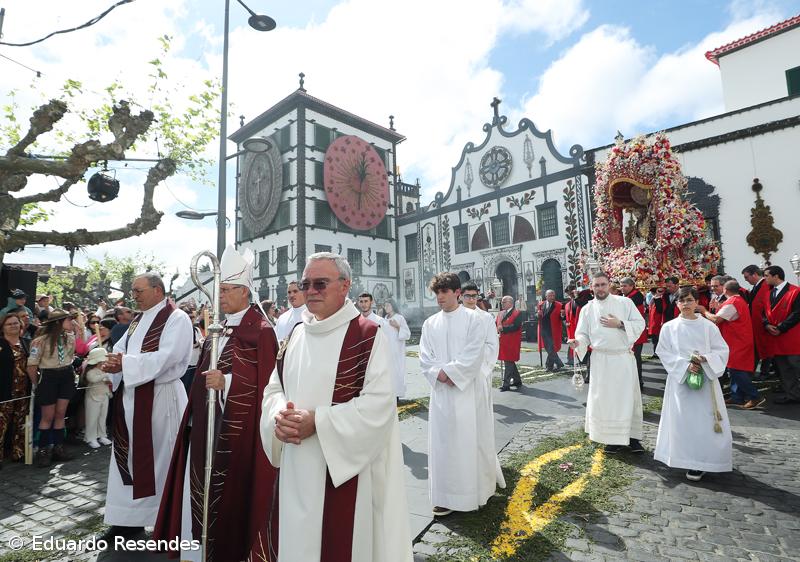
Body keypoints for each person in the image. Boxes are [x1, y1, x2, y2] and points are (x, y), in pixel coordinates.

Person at [260, 252, 412, 561]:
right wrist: (279, 416)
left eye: (320, 283)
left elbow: (379, 405)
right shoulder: (295, 334)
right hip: (296, 464)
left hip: (344, 468)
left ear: (345, 286)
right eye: (306, 284)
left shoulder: (367, 336)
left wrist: (318, 421)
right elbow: (274, 387)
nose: (311, 291)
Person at [156, 246, 279, 562]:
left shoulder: (262, 331)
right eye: (218, 290)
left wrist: (228, 383)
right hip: (204, 426)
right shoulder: (216, 327)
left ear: (243, 291)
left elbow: (270, 384)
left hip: (238, 433)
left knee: (229, 495)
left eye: (225, 290)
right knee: (199, 489)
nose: (219, 296)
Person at [99, 273, 193, 541]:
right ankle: (126, 520)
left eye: (138, 290)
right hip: (131, 398)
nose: (134, 296)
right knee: (127, 458)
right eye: (133, 291)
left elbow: (169, 357)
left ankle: (163, 518)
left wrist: (124, 365)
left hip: (161, 399)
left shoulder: (177, 318)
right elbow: (120, 349)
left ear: (157, 290)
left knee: (159, 459)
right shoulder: (137, 320)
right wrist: (111, 364)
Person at [419, 273, 505, 517]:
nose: (440, 298)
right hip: (442, 394)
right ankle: (444, 496)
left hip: (468, 391)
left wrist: (451, 374)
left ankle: (474, 492)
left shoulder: (474, 319)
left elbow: (474, 353)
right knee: (443, 444)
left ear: (457, 292)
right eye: (437, 293)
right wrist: (440, 374)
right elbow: (425, 358)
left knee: (469, 441)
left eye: (444, 292)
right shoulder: (430, 323)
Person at [654, 286, 732, 481]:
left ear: (697, 302)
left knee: (704, 421)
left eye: (689, 300)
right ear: (677, 303)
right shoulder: (669, 327)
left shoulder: (708, 326)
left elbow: (722, 350)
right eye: (682, 300)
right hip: (680, 382)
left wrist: (704, 359)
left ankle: (704, 461)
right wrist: (685, 366)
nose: (686, 304)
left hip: (705, 381)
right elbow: (663, 352)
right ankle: (682, 458)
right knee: (682, 421)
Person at [568, 273, 646, 453]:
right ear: (591, 287)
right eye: (597, 285)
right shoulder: (587, 309)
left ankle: (632, 438)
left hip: (622, 358)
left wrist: (619, 323)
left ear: (609, 285)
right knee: (605, 399)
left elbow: (640, 324)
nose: (600, 288)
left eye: (603, 285)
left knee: (627, 397)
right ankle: (611, 439)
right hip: (601, 361)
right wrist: (578, 342)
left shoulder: (624, 303)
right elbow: (583, 333)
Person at [699, 280, 764, 409]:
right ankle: (737, 397)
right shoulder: (737, 301)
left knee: (736, 369)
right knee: (735, 369)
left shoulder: (733, 302)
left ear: (725, 290)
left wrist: (704, 311)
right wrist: (717, 307)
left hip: (737, 341)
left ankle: (755, 396)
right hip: (739, 339)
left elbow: (717, 319)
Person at [26, 309, 77, 467]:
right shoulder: (39, 341)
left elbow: (70, 357)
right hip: (48, 377)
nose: (72, 323)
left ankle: (58, 448)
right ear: (58, 323)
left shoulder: (69, 338)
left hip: (66, 375)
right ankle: (43, 450)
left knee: (61, 413)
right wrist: (36, 384)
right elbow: (31, 366)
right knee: (47, 416)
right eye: (69, 320)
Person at [762, 265, 800, 405]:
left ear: (776, 276)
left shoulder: (795, 291)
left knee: (796, 366)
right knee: (784, 369)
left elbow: (797, 313)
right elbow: (764, 313)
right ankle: (793, 394)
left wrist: (781, 328)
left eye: (766, 276)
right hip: (777, 338)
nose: (764, 278)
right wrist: (766, 324)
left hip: (792, 337)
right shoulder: (768, 294)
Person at [0, 313, 30, 467]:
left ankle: (18, 452)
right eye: (9, 324)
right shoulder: (1, 343)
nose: (13, 326)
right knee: (1, 424)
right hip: (4, 390)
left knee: (20, 423)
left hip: (23, 390)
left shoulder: (26, 343)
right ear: (3, 327)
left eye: (15, 323)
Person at [742, 265, 773, 379]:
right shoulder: (757, 286)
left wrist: (766, 322)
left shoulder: (765, 286)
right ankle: (755, 372)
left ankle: (765, 372)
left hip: (763, 324)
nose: (745, 280)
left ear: (754, 274)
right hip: (756, 324)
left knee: (766, 348)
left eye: (746, 277)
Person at [620, 277, 649, 388]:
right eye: (621, 286)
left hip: (636, 332)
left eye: (624, 286)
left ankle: (638, 381)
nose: (622, 288)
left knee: (635, 357)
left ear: (631, 286)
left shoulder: (634, 297)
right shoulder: (629, 296)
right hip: (631, 330)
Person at [83, 347, 112, 449]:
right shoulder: (91, 371)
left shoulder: (104, 369)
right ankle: (91, 437)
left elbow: (107, 381)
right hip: (93, 397)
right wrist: (105, 375)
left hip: (104, 396)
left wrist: (108, 377)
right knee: (92, 418)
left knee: (102, 417)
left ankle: (102, 435)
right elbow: (93, 379)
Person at [382, 300, 410, 398]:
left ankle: (397, 394)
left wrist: (397, 326)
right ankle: (388, 394)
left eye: (388, 305)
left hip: (397, 350)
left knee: (396, 371)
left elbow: (407, 334)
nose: (386, 307)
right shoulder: (384, 319)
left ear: (393, 306)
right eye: (385, 305)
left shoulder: (399, 318)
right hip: (386, 350)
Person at [497, 295, 524, 391]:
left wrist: (503, 328)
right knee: (509, 361)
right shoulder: (500, 313)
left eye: (504, 302)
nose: (502, 303)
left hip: (512, 341)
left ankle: (506, 384)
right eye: (502, 302)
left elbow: (516, 326)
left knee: (508, 361)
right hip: (503, 341)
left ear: (510, 303)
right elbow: (496, 324)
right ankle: (517, 380)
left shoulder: (517, 313)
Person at [537, 290, 564, 372]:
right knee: (548, 348)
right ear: (546, 296)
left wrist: (562, 315)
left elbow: (562, 317)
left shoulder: (559, 305)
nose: (552, 297)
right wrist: (537, 314)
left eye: (553, 295)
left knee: (551, 348)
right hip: (544, 329)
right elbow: (538, 317)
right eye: (550, 295)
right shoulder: (541, 304)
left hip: (553, 329)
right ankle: (558, 363)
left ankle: (549, 366)